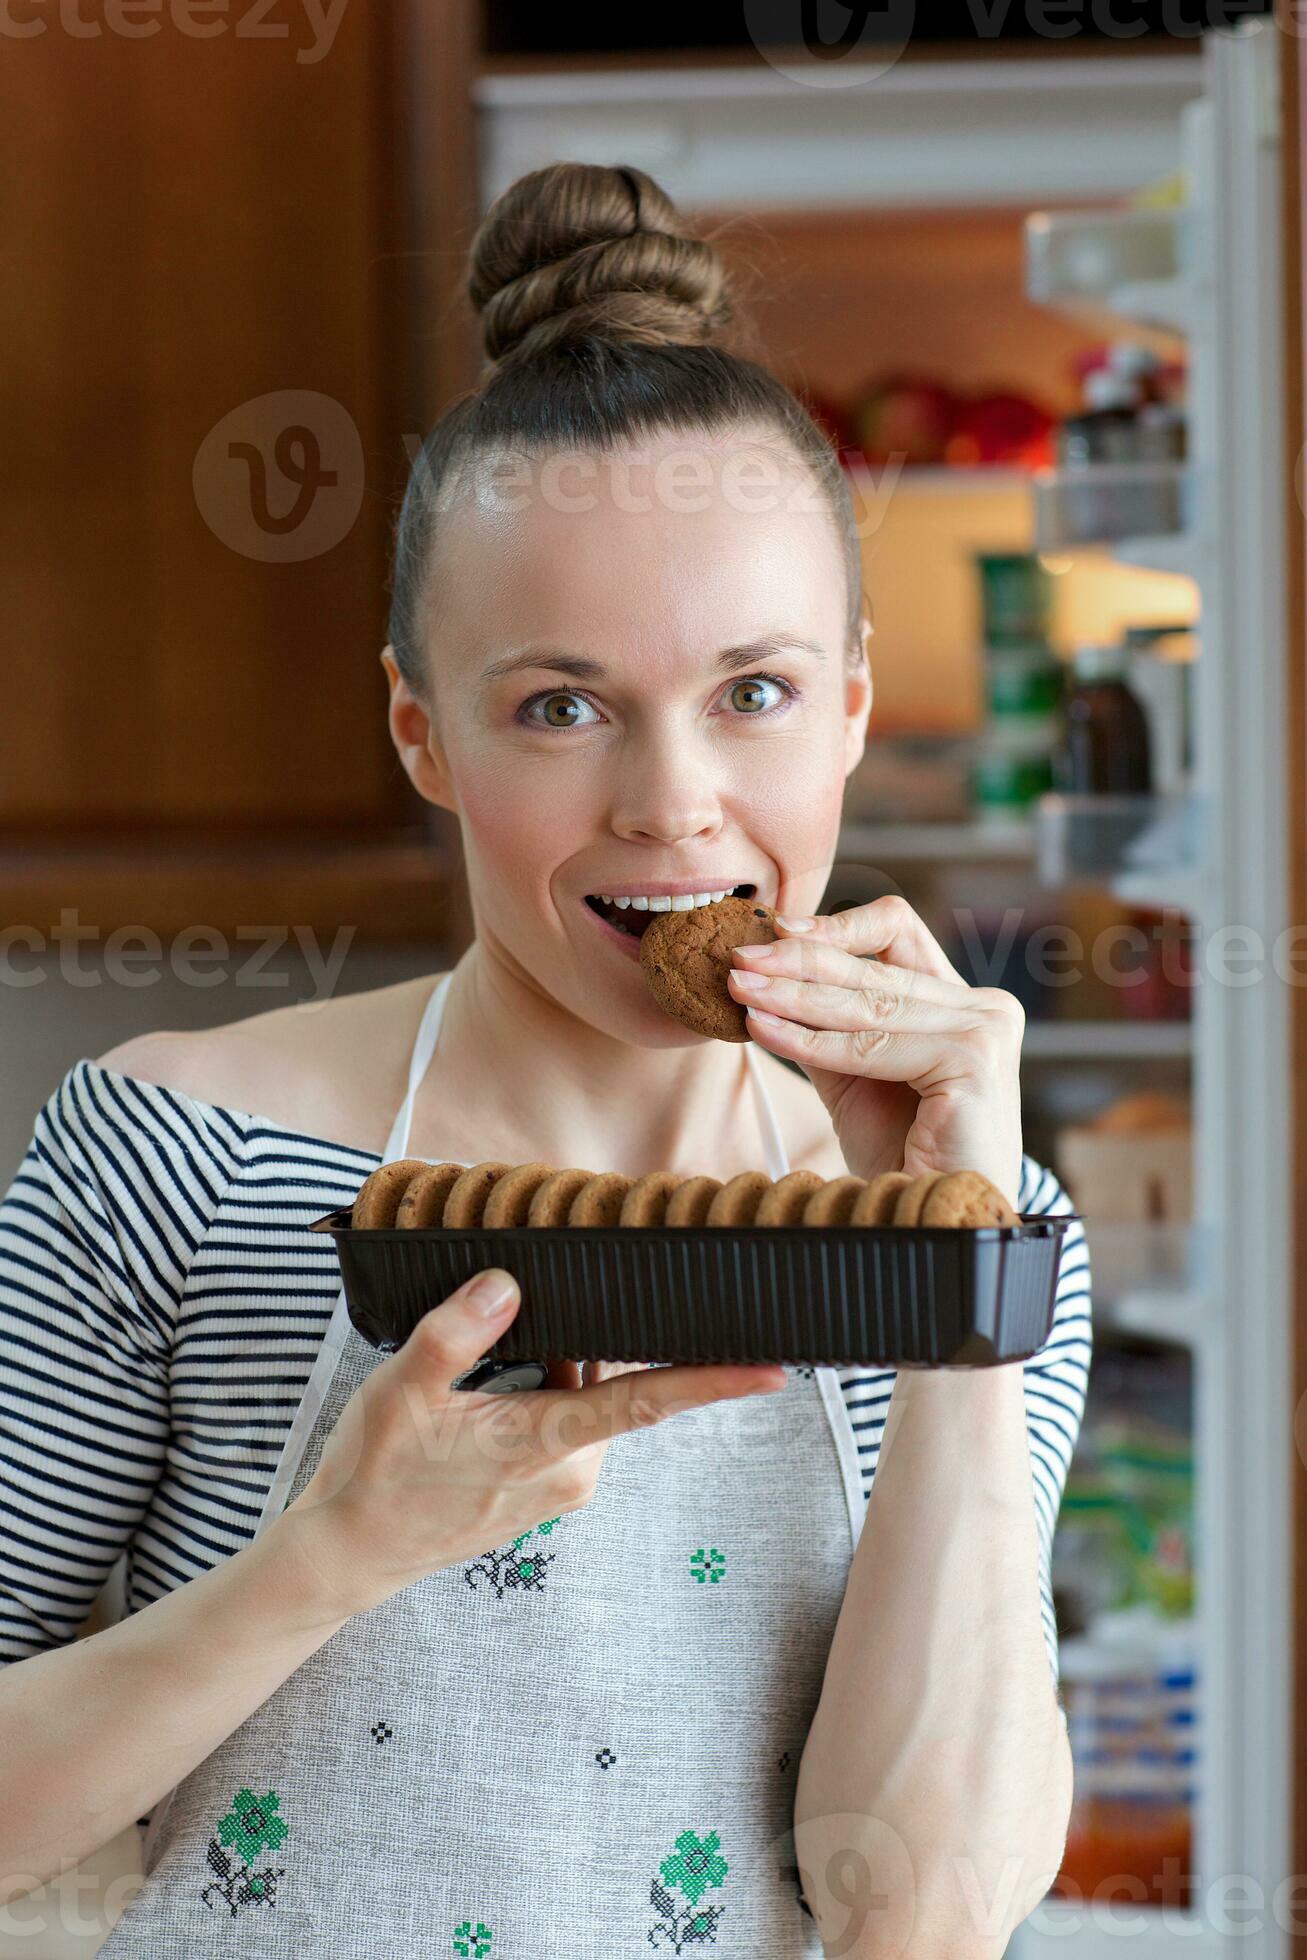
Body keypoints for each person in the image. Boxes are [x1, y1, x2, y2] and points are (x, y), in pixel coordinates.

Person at [0, 161, 1090, 1956]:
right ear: (427, 737)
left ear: (854, 715)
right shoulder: (173, 1159)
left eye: (753, 691)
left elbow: (926, 1915)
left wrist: (955, 1249)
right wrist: (333, 1556)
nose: (673, 803)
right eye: (561, 706)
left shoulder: (988, 1226)